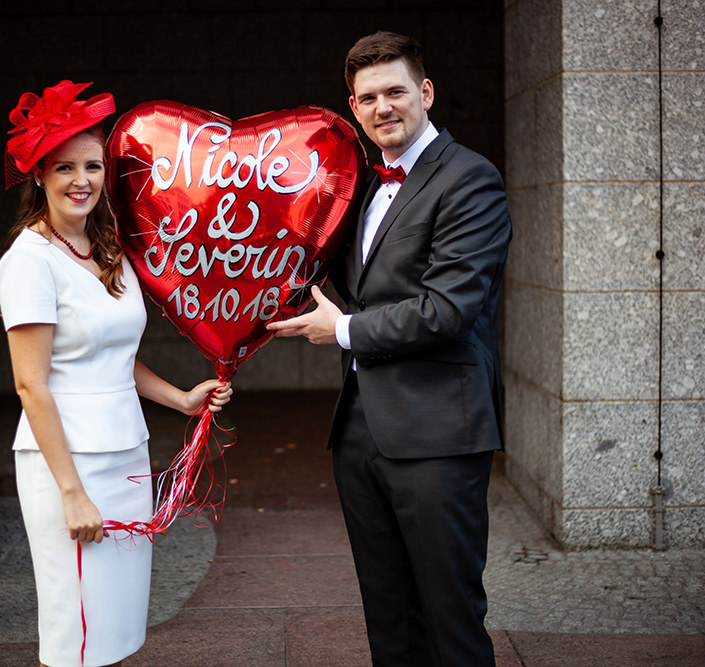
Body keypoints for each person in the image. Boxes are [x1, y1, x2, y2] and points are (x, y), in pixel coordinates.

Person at [268, 32, 512, 666]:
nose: (383, 107)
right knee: (388, 618)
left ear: (425, 93)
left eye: (396, 91)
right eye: (368, 97)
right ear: (353, 105)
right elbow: (349, 284)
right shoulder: (363, 182)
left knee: (451, 618)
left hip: (438, 433)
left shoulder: (469, 179)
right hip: (359, 432)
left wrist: (342, 331)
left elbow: (448, 310)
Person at [0, 80, 232, 667]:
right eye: (65, 167)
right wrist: (71, 495)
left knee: (118, 620)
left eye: (94, 166)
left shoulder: (109, 249)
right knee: (77, 622)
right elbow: (31, 384)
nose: (82, 180)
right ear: (39, 176)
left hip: (126, 451)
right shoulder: (28, 261)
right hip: (68, 464)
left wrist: (180, 399)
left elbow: (116, 360)